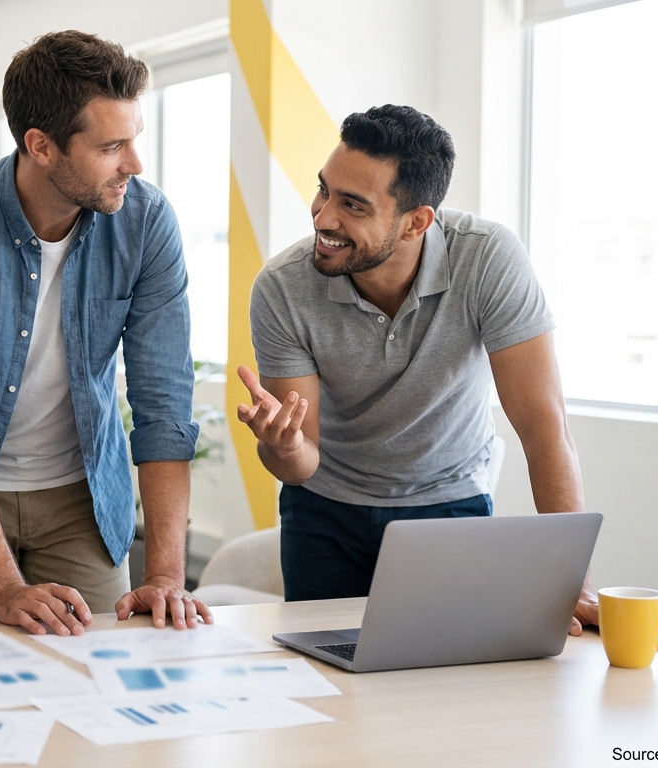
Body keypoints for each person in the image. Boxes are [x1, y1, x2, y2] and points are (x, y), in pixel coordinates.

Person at [238, 104, 598, 635]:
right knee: (325, 678)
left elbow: (544, 426)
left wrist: (573, 579)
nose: (322, 217)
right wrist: (283, 445)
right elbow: (301, 463)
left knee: (444, 679)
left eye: (353, 205)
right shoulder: (282, 288)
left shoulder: (487, 260)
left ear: (416, 222)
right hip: (325, 511)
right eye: (324, 190)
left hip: (447, 505)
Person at [0, 31, 212, 637]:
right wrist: (5, 588)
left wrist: (167, 576)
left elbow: (163, 405)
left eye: (135, 140)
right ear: (40, 146)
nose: (135, 164)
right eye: (111, 146)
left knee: (100, 684)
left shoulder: (146, 222)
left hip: (83, 498)